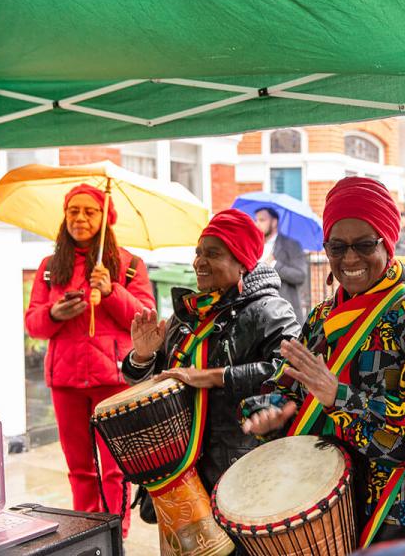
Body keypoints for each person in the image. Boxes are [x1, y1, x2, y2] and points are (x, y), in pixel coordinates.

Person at [241, 177, 405, 544]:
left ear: (388, 244)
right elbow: (285, 388)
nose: (349, 258)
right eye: (336, 246)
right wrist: (270, 410)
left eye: (364, 244)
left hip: (393, 508)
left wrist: (341, 398)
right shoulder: (319, 319)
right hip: (318, 507)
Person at [122, 208, 300, 546]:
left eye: (213, 253)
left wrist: (215, 376)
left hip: (238, 469)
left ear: (242, 261)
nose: (199, 262)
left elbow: (288, 372)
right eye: (198, 252)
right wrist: (143, 356)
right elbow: (157, 383)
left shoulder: (270, 311)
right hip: (181, 475)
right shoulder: (187, 315)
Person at [24, 184, 155, 536]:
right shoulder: (51, 267)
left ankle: (114, 533)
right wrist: (55, 312)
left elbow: (146, 320)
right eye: (73, 211)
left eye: (89, 211)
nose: (79, 218)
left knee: (113, 467)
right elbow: (33, 324)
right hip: (66, 380)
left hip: (112, 378)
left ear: (104, 218)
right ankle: (85, 532)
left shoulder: (129, 265)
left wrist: (113, 292)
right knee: (79, 467)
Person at [255, 207, 308, 320]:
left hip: (285, 315)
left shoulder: (291, 245)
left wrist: (274, 264)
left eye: (262, 220)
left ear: (274, 222)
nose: (257, 224)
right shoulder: (253, 246)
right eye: (256, 220)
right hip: (259, 315)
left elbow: (300, 275)